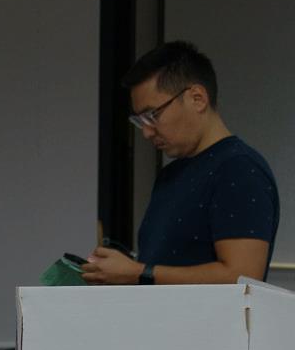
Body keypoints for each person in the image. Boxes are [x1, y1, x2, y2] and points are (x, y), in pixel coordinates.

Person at [83, 41, 279, 285]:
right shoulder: (170, 175)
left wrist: (138, 273)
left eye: (153, 115)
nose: (146, 132)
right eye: (140, 120)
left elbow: (241, 278)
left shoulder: (239, 169)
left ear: (197, 98)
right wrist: (125, 276)